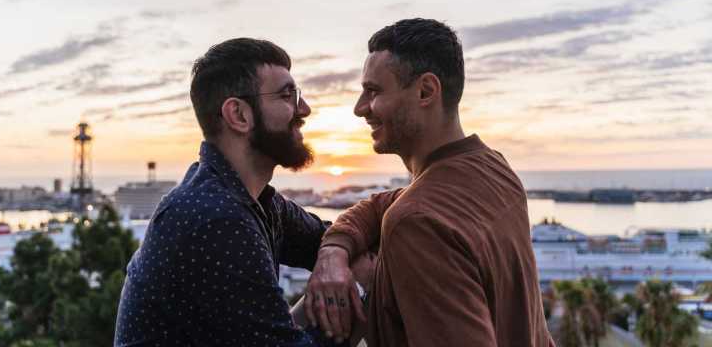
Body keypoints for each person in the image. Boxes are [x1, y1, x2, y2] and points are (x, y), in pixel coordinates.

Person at [304, 19, 555, 347]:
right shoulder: (493, 168)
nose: (359, 108)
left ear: (425, 91)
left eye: (374, 91)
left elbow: (407, 211)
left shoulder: (417, 221)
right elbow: (386, 204)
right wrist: (334, 249)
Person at [115, 38, 353, 346]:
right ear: (239, 115)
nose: (304, 109)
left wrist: (338, 251)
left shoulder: (258, 202)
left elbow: (325, 236)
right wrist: (359, 286)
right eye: (287, 95)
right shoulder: (213, 215)